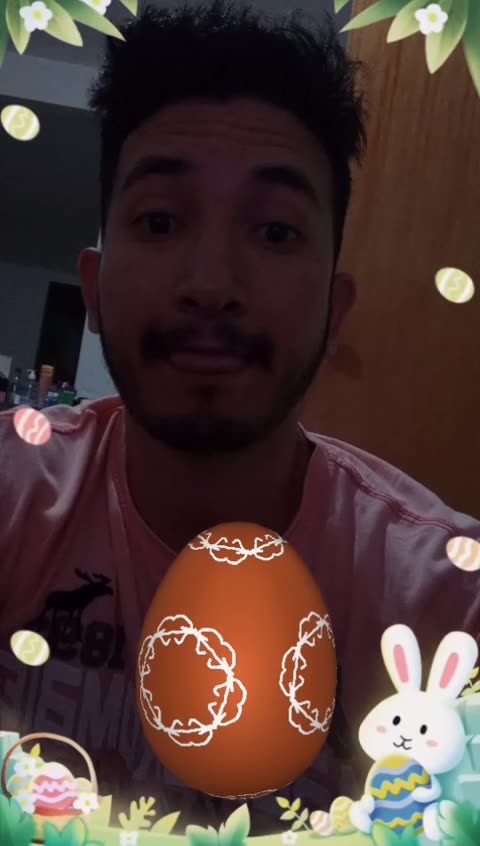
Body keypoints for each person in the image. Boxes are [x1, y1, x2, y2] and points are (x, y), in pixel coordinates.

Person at [1, 0, 479, 836]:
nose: (211, 284)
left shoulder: (448, 603)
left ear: (335, 312)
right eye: (160, 220)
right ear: (95, 289)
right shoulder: (14, 500)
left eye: (276, 232)